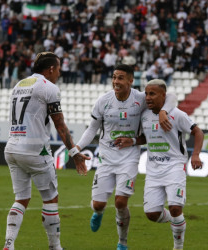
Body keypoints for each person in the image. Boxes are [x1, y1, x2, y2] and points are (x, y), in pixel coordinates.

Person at [75, 64, 177, 250]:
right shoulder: (103, 100)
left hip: (129, 157)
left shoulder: (140, 99)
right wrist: (77, 148)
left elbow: (170, 96)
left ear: (131, 80)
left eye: (121, 78)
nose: (116, 81)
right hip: (106, 156)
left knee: (121, 202)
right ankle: (98, 212)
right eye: (114, 77)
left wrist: (163, 111)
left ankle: (122, 243)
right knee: (98, 204)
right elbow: (92, 128)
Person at [3, 52, 90, 250]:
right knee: (50, 199)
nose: (59, 73)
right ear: (51, 69)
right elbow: (59, 124)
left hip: (12, 148)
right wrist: (75, 154)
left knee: (21, 198)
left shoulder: (19, 85)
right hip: (35, 150)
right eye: (58, 69)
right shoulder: (48, 88)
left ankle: (9, 244)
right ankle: (55, 246)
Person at [115, 79, 204, 250]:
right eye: (147, 94)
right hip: (153, 170)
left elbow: (197, 132)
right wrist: (132, 140)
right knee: (152, 214)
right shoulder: (145, 115)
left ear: (163, 95)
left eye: (152, 94)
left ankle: (178, 246)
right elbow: (145, 137)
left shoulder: (176, 114)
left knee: (175, 207)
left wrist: (196, 154)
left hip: (175, 167)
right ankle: (177, 221)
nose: (148, 97)